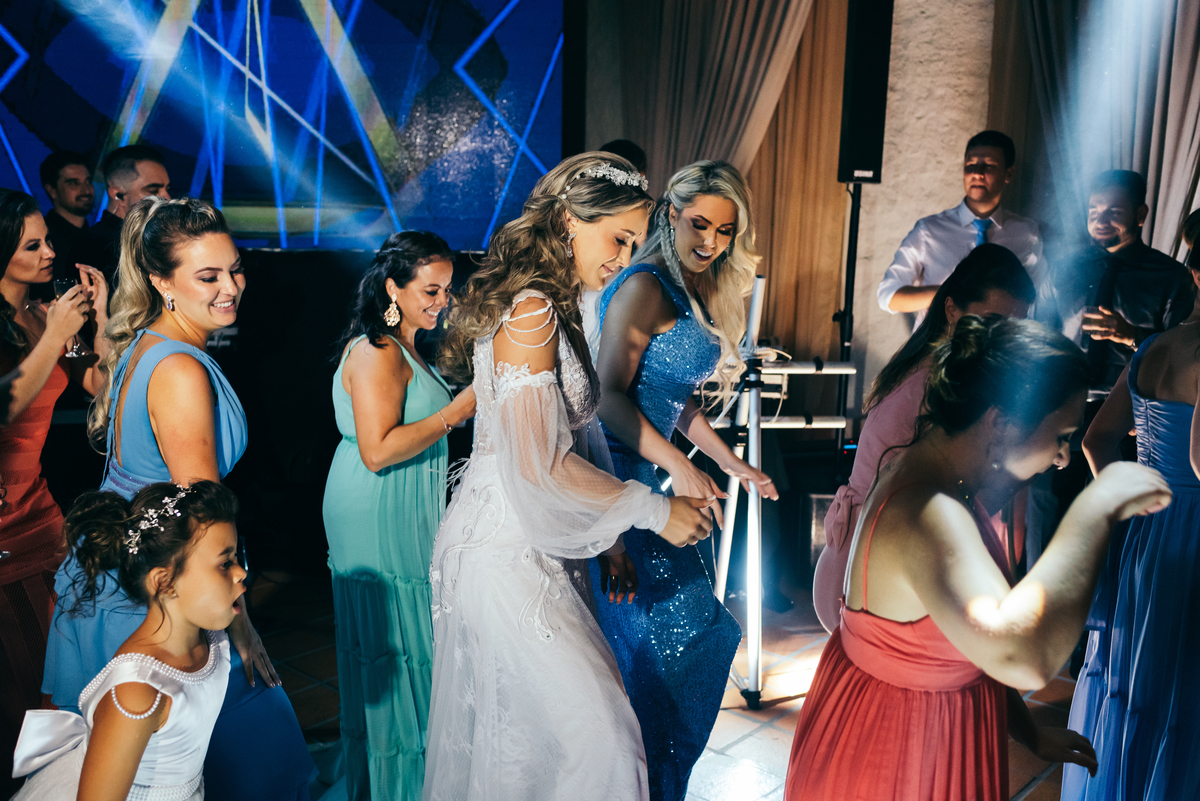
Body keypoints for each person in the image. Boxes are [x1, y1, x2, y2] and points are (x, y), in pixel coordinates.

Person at [785, 315, 1172, 800]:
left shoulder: (942, 476)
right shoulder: (931, 511)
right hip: (902, 747)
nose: (1063, 456)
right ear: (1003, 423)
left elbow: (970, 636)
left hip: (920, 725)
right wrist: (1095, 509)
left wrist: (1025, 730)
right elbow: (1022, 655)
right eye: (1060, 436)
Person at [425, 152, 714, 800]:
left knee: (543, 747)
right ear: (565, 220)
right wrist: (650, 509)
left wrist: (608, 539)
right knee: (597, 739)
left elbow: (575, 437)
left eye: (635, 244)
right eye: (617, 238)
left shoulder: (559, 306)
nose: (624, 257)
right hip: (503, 551)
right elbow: (539, 464)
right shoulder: (529, 312)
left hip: (541, 544)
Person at [43, 196, 316, 800]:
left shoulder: (146, 342)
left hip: (135, 568)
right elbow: (203, 522)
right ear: (163, 282)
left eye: (235, 269)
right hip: (162, 586)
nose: (231, 288)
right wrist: (242, 628)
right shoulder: (181, 370)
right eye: (209, 276)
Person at [589, 160, 773, 800]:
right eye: (700, 224)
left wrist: (727, 461)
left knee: (693, 642)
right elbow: (609, 396)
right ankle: (642, 785)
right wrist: (679, 467)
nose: (712, 242)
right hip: (618, 481)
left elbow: (671, 398)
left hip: (656, 481)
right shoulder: (644, 285)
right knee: (670, 648)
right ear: (670, 214)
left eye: (725, 231)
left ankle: (656, 785)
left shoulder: (686, 289)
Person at [322, 231, 476, 801]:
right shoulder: (377, 350)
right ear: (393, 287)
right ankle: (396, 786)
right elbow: (378, 449)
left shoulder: (409, 347)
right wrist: (456, 412)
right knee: (396, 646)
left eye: (447, 289)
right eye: (430, 289)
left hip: (407, 502)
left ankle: (411, 779)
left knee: (416, 643)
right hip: (375, 504)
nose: (443, 300)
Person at [813, 243, 1036, 632]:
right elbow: (961, 502)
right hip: (874, 570)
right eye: (992, 321)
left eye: (1015, 327)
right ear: (952, 310)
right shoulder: (944, 387)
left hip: (862, 559)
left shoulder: (928, 360)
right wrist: (1031, 463)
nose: (1005, 338)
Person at [1060, 211, 1200, 801]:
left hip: (1147, 527)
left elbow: (1096, 440)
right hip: (1193, 530)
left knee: (1138, 675)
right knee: (1181, 684)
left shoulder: (1154, 347)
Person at [12, 481, 241, 800]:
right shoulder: (137, 692)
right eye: (225, 562)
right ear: (165, 581)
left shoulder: (210, 636)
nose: (241, 573)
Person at [0, 190, 108, 798]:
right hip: (0, 521)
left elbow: (97, 382)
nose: (50, 252)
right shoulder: (33, 327)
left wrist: (99, 318)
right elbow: (5, 403)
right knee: (13, 680)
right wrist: (54, 334)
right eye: (32, 245)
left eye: (48, 240)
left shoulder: (43, 317)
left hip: (39, 513)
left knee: (58, 669)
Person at [1036, 170, 1193, 394]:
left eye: (1114, 211)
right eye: (1094, 211)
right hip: (1062, 397)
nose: (1101, 221)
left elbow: (1182, 352)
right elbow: (1037, 332)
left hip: (1130, 407)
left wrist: (1131, 335)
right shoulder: (1063, 270)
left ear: (1140, 215)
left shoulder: (1171, 277)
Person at [877, 130, 1044, 326]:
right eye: (971, 165)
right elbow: (887, 295)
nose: (977, 173)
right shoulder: (929, 230)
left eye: (988, 166)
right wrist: (948, 293)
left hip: (998, 348)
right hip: (939, 349)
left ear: (1008, 173)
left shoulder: (1026, 233)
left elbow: (1039, 298)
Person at [68, 145, 171, 284]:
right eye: (153, 190)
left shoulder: (157, 236)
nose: (167, 198)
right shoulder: (94, 246)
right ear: (118, 194)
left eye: (167, 188)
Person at [39, 151, 94, 285]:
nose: (86, 190)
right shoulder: (44, 238)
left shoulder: (97, 236)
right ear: (52, 190)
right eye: (73, 183)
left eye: (88, 181)